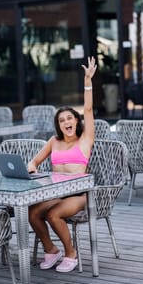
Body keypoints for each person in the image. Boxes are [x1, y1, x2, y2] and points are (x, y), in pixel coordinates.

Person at [27, 56, 97, 273]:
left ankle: (71, 253)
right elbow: (35, 160)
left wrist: (87, 81)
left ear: (76, 121)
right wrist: (32, 167)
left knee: (53, 214)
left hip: (78, 194)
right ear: (59, 125)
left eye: (70, 118)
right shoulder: (54, 141)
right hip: (56, 192)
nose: (66, 122)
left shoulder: (85, 140)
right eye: (62, 120)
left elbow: (88, 109)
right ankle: (51, 250)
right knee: (32, 213)